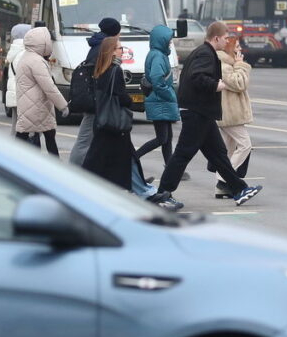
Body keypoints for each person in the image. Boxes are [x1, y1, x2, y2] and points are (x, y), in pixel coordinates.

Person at [157, 21, 262, 207]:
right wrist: (216, 85)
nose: (226, 41)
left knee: (219, 155)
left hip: (202, 112)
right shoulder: (206, 54)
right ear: (216, 38)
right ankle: (163, 194)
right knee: (183, 154)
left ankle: (239, 189)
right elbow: (197, 77)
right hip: (197, 112)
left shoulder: (203, 52)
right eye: (225, 38)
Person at [81, 36, 138, 189]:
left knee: (98, 157)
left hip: (102, 120)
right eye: (120, 48)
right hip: (115, 122)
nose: (122, 51)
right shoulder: (116, 70)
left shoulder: (101, 69)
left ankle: (137, 186)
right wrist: (130, 101)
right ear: (112, 52)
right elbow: (120, 96)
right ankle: (129, 188)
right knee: (119, 161)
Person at [68, 17, 122, 166]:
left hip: (98, 100)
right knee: (85, 140)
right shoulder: (103, 48)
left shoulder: (97, 45)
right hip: (97, 101)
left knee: (108, 142)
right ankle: (72, 171)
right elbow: (101, 75)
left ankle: (128, 178)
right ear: (114, 33)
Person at [14, 27, 69, 156]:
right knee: (48, 139)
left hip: (30, 105)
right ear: (42, 43)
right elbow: (49, 87)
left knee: (26, 136)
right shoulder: (36, 61)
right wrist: (63, 106)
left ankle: (11, 165)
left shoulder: (26, 56)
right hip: (37, 107)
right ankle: (55, 168)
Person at [136, 25, 179, 169]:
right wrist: (170, 94)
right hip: (159, 101)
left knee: (167, 138)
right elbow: (157, 79)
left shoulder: (158, 54)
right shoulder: (158, 56)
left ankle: (170, 167)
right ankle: (134, 157)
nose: (171, 43)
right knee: (162, 138)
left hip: (159, 101)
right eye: (169, 40)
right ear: (162, 40)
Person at [215, 35, 253, 198]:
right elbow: (240, 84)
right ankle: (223, 179)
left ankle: (222, 186)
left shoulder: (228, 64)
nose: (239, 50)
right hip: (230, 114)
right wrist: (241, 66)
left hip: (229, 113)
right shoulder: (224, 65)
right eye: (236, 47)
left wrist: (237, 65)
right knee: (245, 145)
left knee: (229, 149)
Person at [4, 23, 32, 127]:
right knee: (23, 127)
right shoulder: (23, 52)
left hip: (15, 93)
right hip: (23, 94)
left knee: (16, 124)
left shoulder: (14, 51)